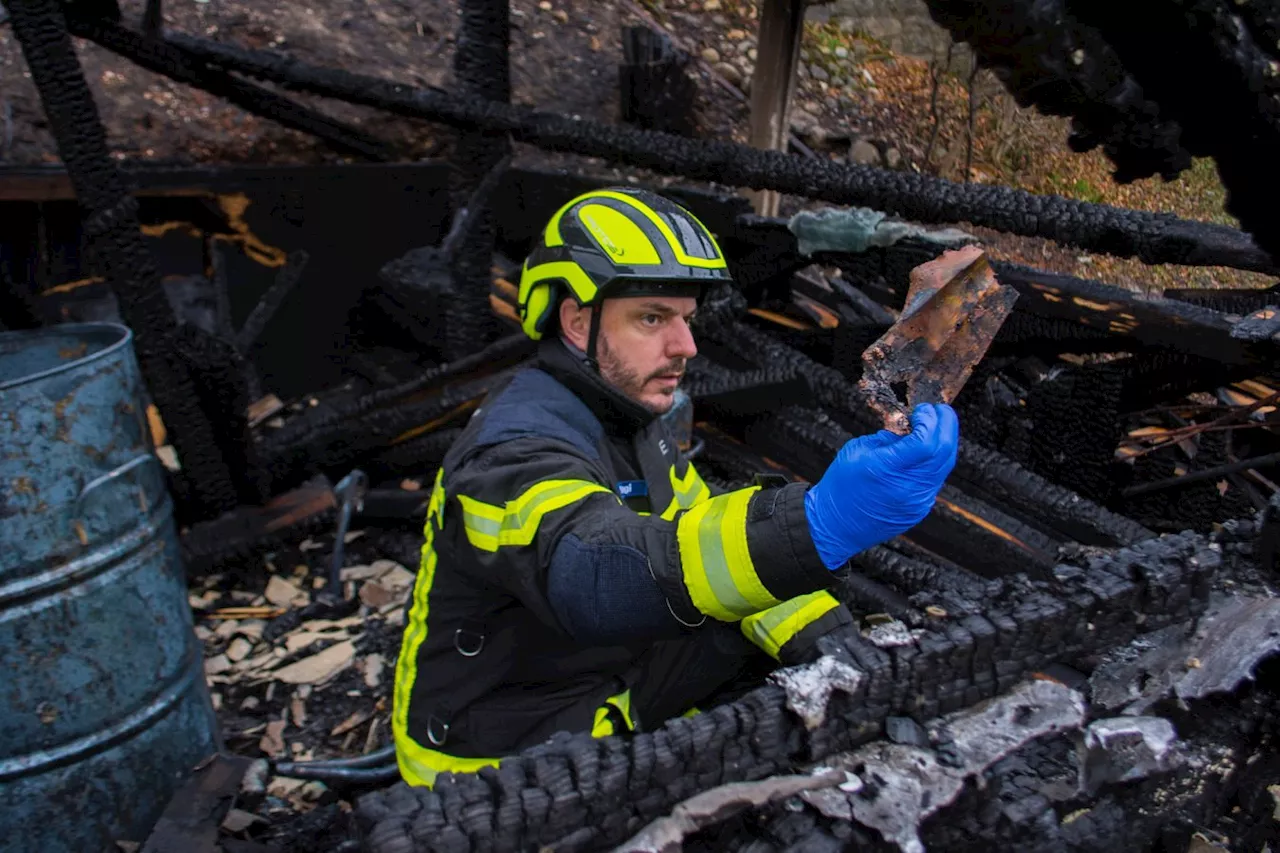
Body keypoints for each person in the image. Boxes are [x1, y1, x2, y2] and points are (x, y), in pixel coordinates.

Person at [391, 188, 959, 787]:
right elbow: (597, 577)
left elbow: (706, 534)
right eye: (652, 318)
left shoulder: (629, 415)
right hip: (491, 760)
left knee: (746, 602)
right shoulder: (512, 452)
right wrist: (818, 523)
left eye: (685, 319)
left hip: (595, 678)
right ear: (576, 319)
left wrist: (843, 652)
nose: (686, 346)